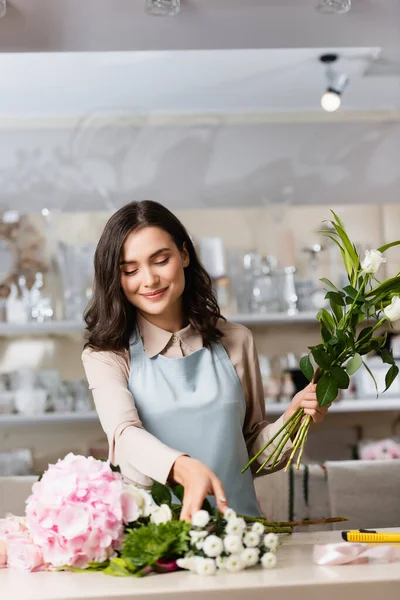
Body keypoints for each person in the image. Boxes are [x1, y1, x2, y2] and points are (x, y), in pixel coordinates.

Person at [82, 200, 328, 521]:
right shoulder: (107, 354)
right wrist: (183, 467)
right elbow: (124, 434)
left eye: (160, 260)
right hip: (155, 546)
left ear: (184, 255)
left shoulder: (237, 340)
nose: (149, 279)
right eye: (130, 270)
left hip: (238, 533)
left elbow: (249, 453)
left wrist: (292, 422)